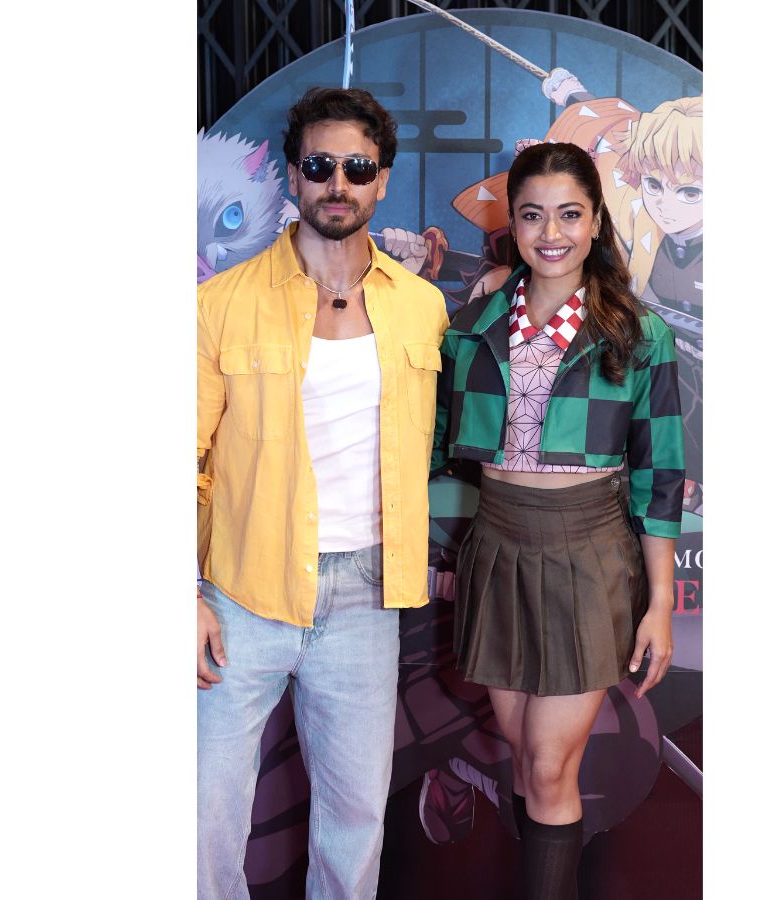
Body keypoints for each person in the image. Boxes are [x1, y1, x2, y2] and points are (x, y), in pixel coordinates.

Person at [196, 86, 449, 900]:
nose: (338, 183)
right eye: (319, 165)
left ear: (382, 180)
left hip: (365, 598)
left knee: (355, 820)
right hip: (240, 591)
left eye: (357, 168)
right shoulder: (219, 305)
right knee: (203, 815)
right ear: (293, 174)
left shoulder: (422, 309)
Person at [431, 141, 685, 899]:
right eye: (533, 215)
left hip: (589, 553)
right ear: (511, 222)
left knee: (548, 765)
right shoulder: (468, 329)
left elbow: (659, 476)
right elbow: (431, 447)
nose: (552, 233)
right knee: (523, 754)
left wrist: (661, 604)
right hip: (496, 547)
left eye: (570, 214)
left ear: (597, 220)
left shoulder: (638, 334)